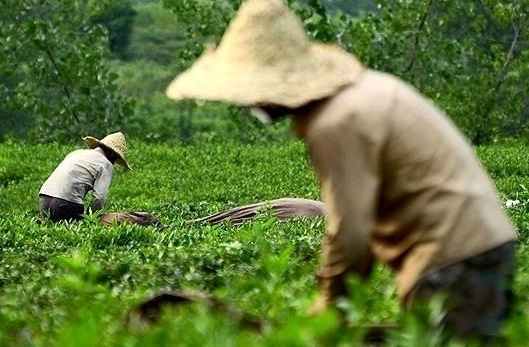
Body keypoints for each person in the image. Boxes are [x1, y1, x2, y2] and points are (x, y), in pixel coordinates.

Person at [165, 0, 518, 341]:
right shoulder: (363, 93)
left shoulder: (336, 122)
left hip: (453, 258)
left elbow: (351, 230)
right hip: (479, 246)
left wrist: (329, 308)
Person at [39, 132, 131, 222]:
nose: (114, 162)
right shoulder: (106, 164)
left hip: (44, 199)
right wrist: (89, 218)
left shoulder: (76, 153)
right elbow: (99, 198)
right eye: (116, 158)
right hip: (66, 204)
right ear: (112, 153)